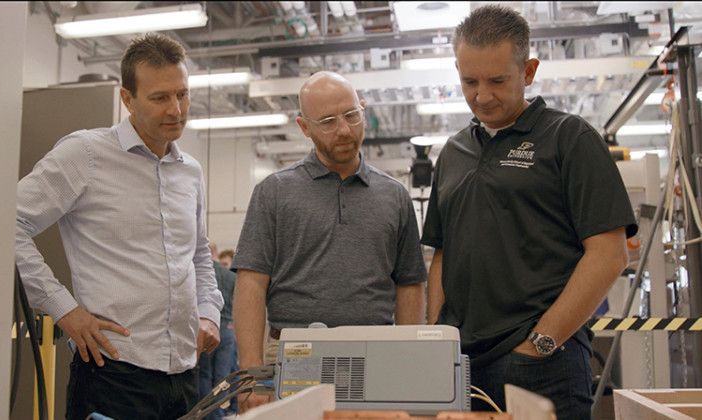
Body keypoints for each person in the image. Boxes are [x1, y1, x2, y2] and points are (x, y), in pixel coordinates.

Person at [420, 5, 638, 419]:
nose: (482, 96)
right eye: (470, 81)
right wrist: (438, 341)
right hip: (462, 362)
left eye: (498, 81)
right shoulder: (453, 152)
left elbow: (610, 254)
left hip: (543, 360)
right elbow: (443, 256)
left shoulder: (568, 138)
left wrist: (542, 342)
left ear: (529, 70)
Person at [15, 33, 224, 420]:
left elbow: (197, 254)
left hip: (183, 375)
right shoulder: (87, 154)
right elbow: (8, 223)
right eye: (160, 98)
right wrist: (63, 309)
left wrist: (210, 311)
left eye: (182, 94)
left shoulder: (190, 172)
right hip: (113, 373)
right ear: (128, 99)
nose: (176, 109)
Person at [231, 71, 428, 413]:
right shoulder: (274, 192)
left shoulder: (394, 196)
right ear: (304, 127)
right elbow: (251, 284)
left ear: (363, 110)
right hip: (294, 357)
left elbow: (409, 283)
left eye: (352, 115)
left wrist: (408, 358)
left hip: (376, 354)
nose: (344, 130)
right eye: (327, 121)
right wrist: (253, 375)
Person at [197, 242, 238, 419]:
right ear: (216, 253)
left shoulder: (199, 276)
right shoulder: (230, 276)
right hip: (227, 330)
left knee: (204, 374)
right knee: (222, 377)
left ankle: (209, 415)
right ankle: (221, 413)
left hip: (206, 327)